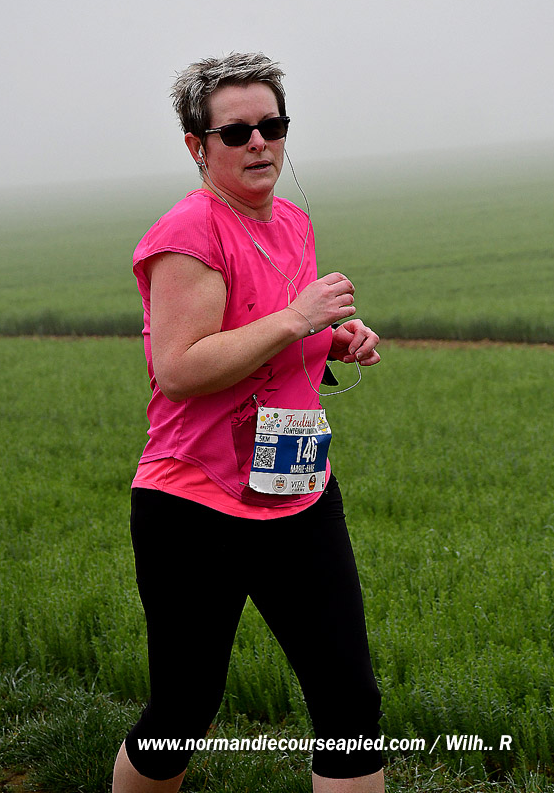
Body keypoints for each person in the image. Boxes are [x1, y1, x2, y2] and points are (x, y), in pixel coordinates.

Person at [112, 52, 385, 793]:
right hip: (195, 504)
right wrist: (299, 318)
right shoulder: (188, 234)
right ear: (197, 146)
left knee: (350, 701)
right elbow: (181, 367)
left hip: (296, 487)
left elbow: (268, 336)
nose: (259, 142)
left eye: (273, 125)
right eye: (235, 132)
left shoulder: (291, 222)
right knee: (182, 710)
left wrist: (331, 338)